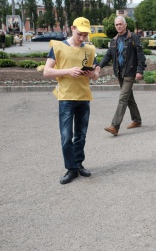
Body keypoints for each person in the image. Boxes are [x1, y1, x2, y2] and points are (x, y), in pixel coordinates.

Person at [43, 17, 100, 185]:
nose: (82, 38)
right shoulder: (58, 46)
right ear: (72, 28)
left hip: (84, 97)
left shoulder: (89, 49)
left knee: (81, 135)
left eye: (85, 35)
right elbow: (46, 72)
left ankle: (79, 164)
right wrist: (68, 71)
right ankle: (71, 168)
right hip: (66, 98)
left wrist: (92, 74)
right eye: (79, 34)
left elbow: (96, 74)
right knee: (67, 136)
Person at [99, 16, 146, 137]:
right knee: (129, 97)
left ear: (125, 25)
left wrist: (139, 71)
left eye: (120, 24)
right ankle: (137, 120)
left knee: (123, 98)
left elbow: (141, 56)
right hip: (119, 73)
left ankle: (115, 126)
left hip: (130, 72)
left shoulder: (133, 38)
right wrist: (99, 66)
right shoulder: (114, 40)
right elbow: (108, 55)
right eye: (117, 25)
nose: (118, 26)